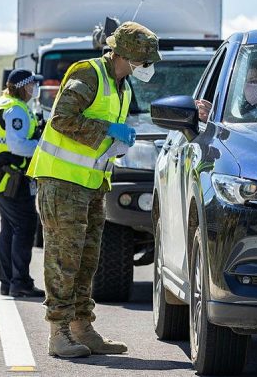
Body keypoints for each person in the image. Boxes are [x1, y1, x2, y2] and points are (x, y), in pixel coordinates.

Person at [27, 21, 160, 358]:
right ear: (126, 55)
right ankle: (58, 333)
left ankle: (81, 327)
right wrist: (108, 129)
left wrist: (117, 138)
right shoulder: (89, 74)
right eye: (145, 61)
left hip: (93, 184)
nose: (148, 68)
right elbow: (61, 119)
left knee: (87, 261)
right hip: (61, 181)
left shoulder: (124, 86)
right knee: (63, 260)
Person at [0, 68, 45, 298]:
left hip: (0, 173)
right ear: (23, 86)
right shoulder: (16, 109)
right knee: (25, 224)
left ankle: (8, 282)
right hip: (8, 175)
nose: (35, 88)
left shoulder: (4, 103)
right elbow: (18, 146)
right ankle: (20, 282)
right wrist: (42, 147)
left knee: (10, 226)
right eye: (32, 84)